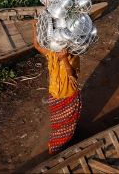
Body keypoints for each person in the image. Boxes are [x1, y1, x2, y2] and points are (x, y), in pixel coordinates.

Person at [33, 19, 82, 155]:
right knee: (58, 125)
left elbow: (73, 75)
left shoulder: (73, 57)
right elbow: (37, 46)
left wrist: (65, 59)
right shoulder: (52, 54)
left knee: (65, 127)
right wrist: (35, 28)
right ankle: (63, 143)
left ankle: (57, 149)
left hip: (68, 97)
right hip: (54, 95)